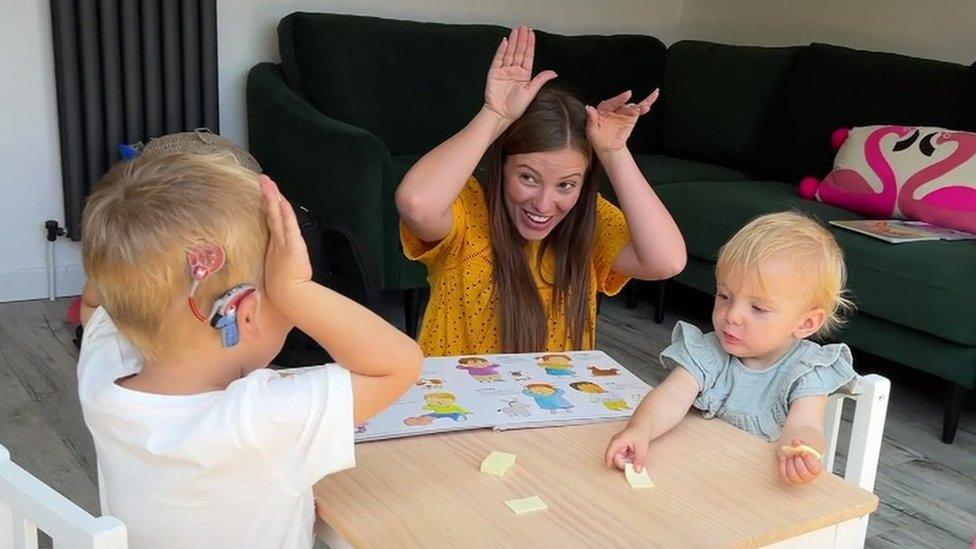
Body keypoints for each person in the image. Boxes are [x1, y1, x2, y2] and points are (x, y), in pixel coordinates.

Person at [77, 152, 422, 548]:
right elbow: (400, 364)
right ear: (242, 313)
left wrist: (134, 254)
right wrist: (298, 289)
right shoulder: (258, 419)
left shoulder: (101, 375)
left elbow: (94, 304)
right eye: (283, 298)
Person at [396, 26, 686, 356]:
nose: (544, 204)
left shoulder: (587, 216)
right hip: (455, 405)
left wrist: (613, 152)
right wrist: (495, 115)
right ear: (502, 167)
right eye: (528, 178)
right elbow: (417, 205)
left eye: (566, 185)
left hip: (553, 404)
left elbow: (667, 261)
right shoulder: (467, 207)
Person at [605, 212, 860, 485]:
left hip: (762, 488)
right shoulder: (708, 352)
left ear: (806, 323)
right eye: (725, 296)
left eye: (758, 308)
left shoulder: (808, 369)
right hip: (701, 478)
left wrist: (800, 449)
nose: (732, 316)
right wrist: (639, 431)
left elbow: (805, 425)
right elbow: (670, 398)